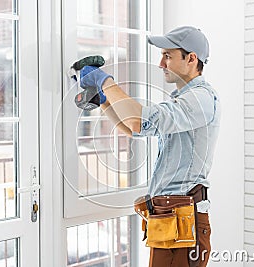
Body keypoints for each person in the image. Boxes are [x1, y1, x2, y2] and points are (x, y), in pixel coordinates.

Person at [79, 26, 221, 267]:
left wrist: (105, 81)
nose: (161, 64)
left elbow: (137, 119)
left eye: (167, 56)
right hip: (169, 220)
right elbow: (134, 128)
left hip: (183, 223)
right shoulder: (181, 100)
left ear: (191, 59)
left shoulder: (200, 99)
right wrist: (103, 102)